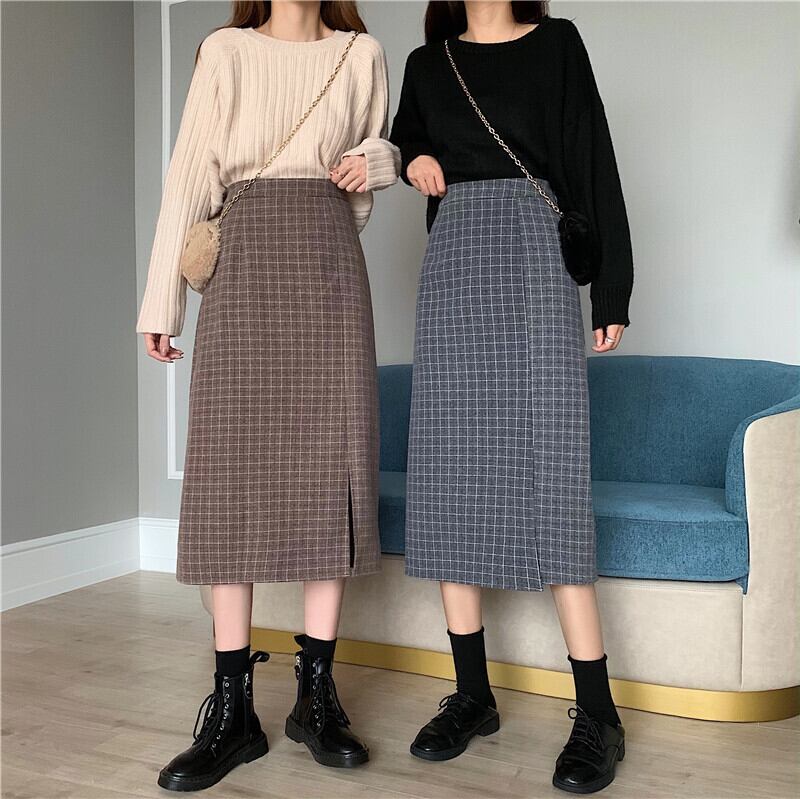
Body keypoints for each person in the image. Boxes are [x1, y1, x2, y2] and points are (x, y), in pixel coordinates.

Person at [136, 1, 399, 791]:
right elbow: (190, 173)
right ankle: (233, 709)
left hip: (327, 259)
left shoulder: (361, 54)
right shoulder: (225, 50)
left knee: (331, 466)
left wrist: (379, 160)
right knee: (228, 474)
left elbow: (364, 183)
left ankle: (316, 696)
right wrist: (161, 302)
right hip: (244, 258)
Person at [390, 1, 633, 793]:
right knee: (449, 474)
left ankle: (598, 712)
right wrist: (414, 159)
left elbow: (592, 157)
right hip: (455, 258)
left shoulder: (557, 45)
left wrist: (612, 289)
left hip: (534, 254)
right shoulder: (428, 64)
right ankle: (472, 693)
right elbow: (404, 140)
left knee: (551, 474)